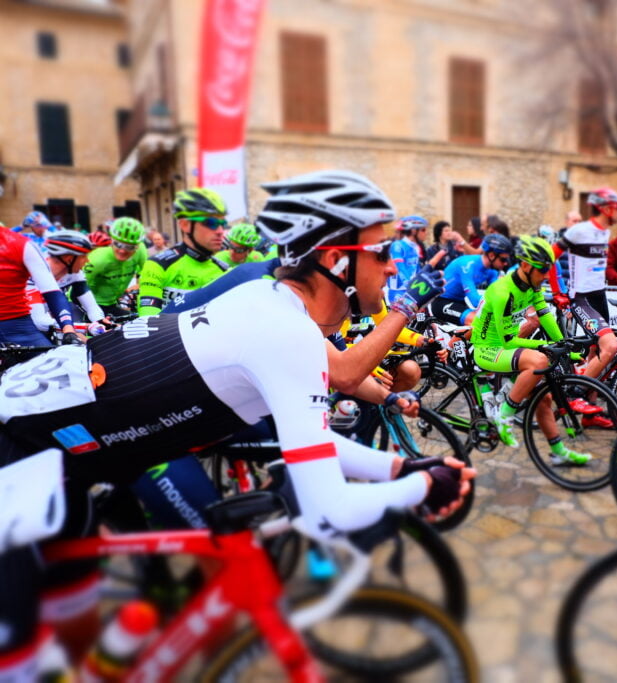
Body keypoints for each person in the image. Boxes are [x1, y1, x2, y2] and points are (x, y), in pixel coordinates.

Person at [0, 170, 472, 676]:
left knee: (76, 645)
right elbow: (326, 509)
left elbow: (310, 440)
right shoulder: (282, 331)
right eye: (382, 251)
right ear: (336, 258)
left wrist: (399, 466)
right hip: (17, 462)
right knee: (24, 666)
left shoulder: (270, 306)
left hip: (57, 463)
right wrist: (423, 484)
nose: (392, 265)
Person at [473, 235, 594, 464]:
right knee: (539, 361)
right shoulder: (503, 292)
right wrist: (545, 345)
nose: (546, 275)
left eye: (549, 269)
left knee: (544, 400)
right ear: (526, 265)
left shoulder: (531, 284)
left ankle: (559, 453)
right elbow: (509, 341)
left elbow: (544, 314)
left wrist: (564, 344)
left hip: (505, 348)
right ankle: (504, 416)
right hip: (487, 349)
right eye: (542, 269)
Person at [550, 187, 617, 411]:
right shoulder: (580, 230)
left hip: (599, 295)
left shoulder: (606, 232)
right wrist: (557, 292)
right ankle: (573, 395)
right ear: (605, 208)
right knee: (611, 346)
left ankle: (591, 412)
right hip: (582, 298)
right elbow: (550, 257)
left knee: (597, 355)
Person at [137, 188, 229, 316]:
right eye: (211, 222)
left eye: (223, 223)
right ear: (185, 225)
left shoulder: (224, 270)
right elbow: (148, 319)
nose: (220, 231)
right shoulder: (158, 265)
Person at [0, 222, 80, 347]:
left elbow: (52, 292)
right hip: (19, 323)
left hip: (17, 324)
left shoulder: (22, 244)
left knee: (58, 362)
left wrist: (68, 329)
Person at [27, 231, 108, 332]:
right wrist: (87, 327)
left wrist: (100, 320)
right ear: (69, 259)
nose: (88, 261)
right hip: (22, 324)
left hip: (50, 317)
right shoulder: (32, 274)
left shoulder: (74, 271)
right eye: (84, 256)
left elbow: (90, 304)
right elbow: (40, 322)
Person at [429, 234, 511, 325]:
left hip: (459, 302)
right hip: (441, 301)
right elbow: (475, 301)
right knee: (477, 322)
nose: (506, 264)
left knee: (490, 321)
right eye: (503, 260)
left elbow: (496, 293)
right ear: (491, 255)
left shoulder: (492, 271)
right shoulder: (467, 265)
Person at [83, 217, 147, 316]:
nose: (122, 250)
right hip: (87, 304)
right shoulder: (98, 258)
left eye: (129, 247)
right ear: (112, 240)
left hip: (112, 304)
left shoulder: (141, 251)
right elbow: (79, 288)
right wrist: (94, 314)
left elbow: (148, 274)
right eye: (118, 244)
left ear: (137, 246)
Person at [387, 215, 428, 301]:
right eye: (423, 230)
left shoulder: (415, 247)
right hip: (397, 291)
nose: (426, 233)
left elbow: (417, 271)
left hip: (410, 291)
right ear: (413, 231)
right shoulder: (398, 245)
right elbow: (399, 269)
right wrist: (412, 287)